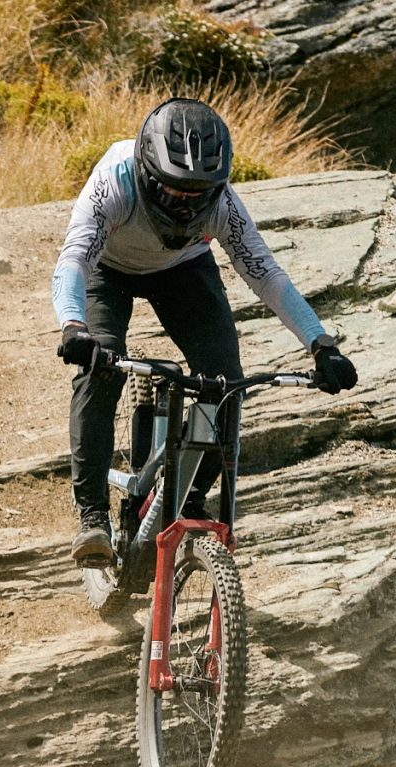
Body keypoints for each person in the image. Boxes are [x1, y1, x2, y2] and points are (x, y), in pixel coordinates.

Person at [52, 98, 357, 569]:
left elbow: (265, 274)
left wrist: (321, 344)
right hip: (106, 269)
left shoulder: (224, 204)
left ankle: (188, 499)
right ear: (146, 173)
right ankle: (93, 516)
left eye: (199, 196)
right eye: (174, 194)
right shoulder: (114, 182)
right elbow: (74, 259)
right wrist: (74, 326)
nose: (186, 204)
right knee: (101, 367)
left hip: (183, 270)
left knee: (225, 383)